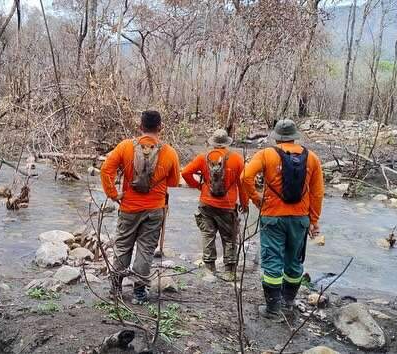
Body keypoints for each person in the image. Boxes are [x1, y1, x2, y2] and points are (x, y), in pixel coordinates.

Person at [241, 119, 324, 320]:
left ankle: (272, 309)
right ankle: (288, 303)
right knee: (294, 260)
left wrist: (256, 198)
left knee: (272, 261)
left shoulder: (266, 154)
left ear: (276, 137)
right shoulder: (312, 158)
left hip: (273, 217)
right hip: (300, 218)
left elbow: (245, 177)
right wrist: (314, 220)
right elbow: (318, 193)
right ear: (295, 136)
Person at [100, 110, 181, 304]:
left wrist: (113, 194)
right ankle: (139, 293)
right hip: (155, 210)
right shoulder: (169, 152)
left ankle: (116, 289)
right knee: (145, 250)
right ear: (160, 127)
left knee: (122, 247)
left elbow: (106, 170)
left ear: (140, 127)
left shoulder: (125, 147)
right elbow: (174, 181)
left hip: (128, 207)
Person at [182, 129, 248, 281]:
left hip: (206, 203)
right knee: (229, 237)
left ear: (212, 142)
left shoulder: (203, 157)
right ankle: (229, 271)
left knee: (208, 235)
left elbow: (185, 172)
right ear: (226, 143)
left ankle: (209, 269)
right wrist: (244, 204)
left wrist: (198, 186)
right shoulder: (237, 159)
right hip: (228, 205)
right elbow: (242, 184)